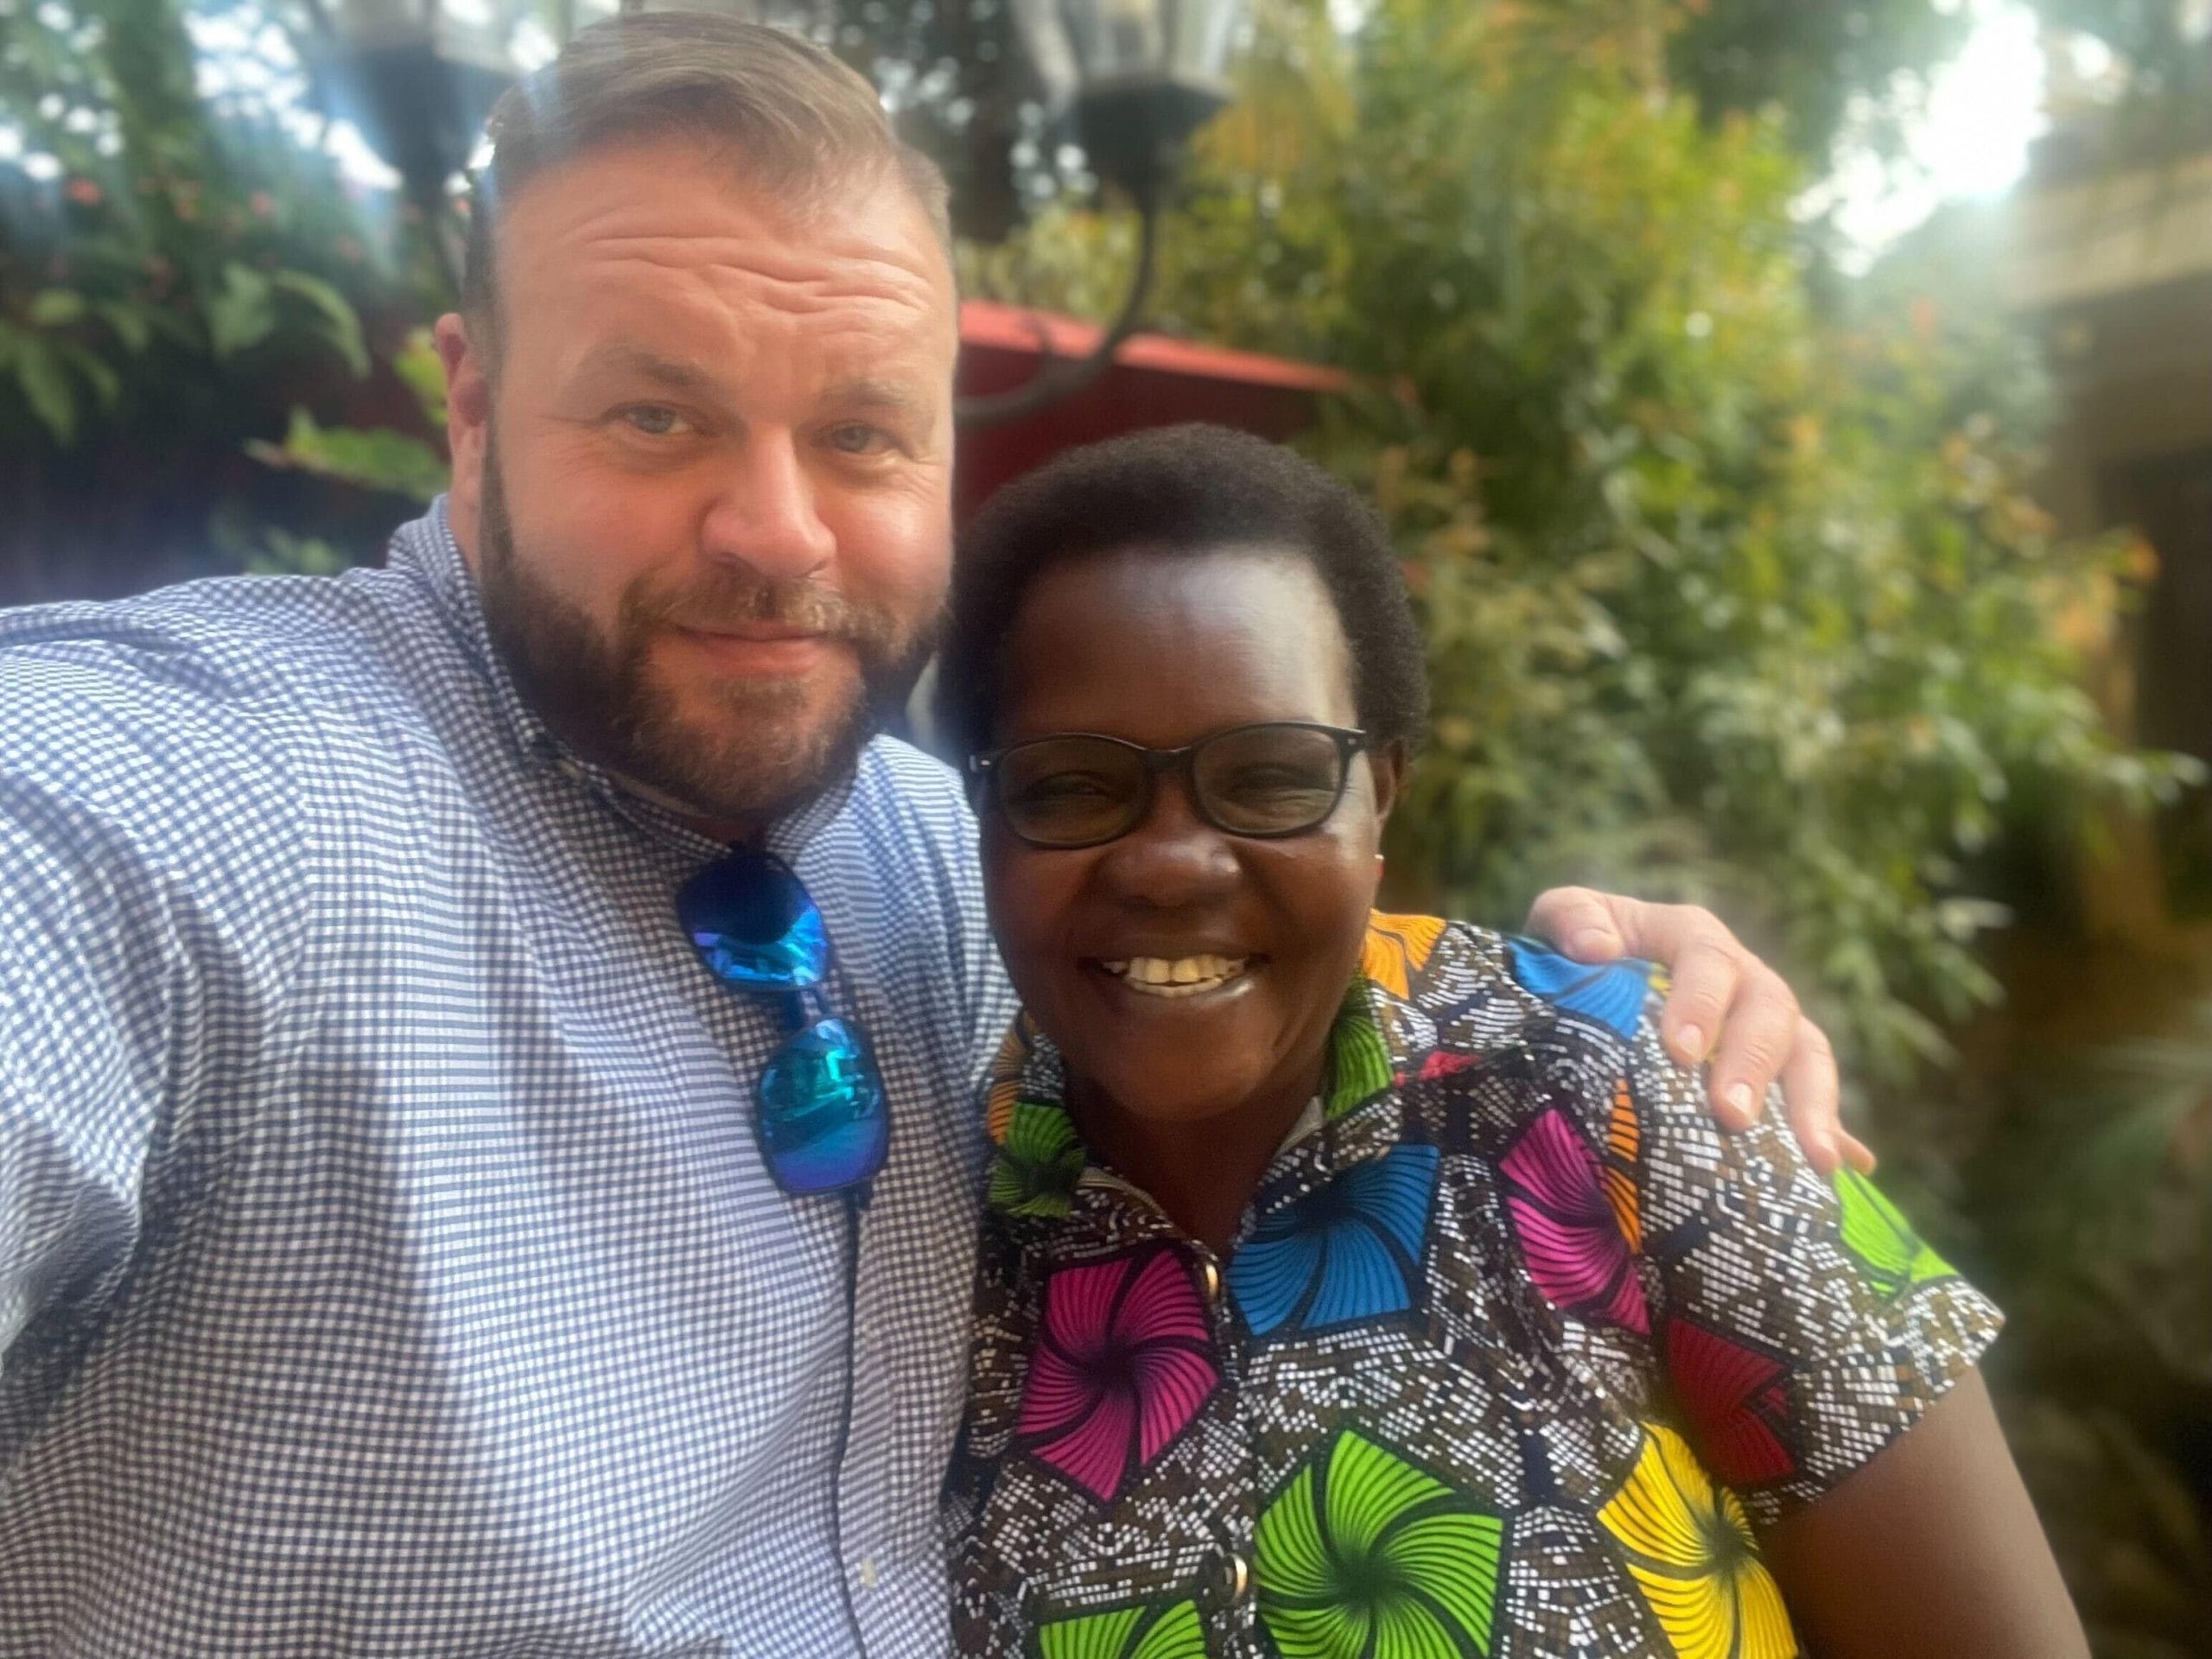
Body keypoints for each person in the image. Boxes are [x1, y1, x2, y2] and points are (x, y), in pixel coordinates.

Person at [1, 16, 1852, 1656]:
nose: (779, 531)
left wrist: (1630, 995)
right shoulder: (195, 809)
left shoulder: (937, 853)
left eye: (864, 435)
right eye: (655, 413)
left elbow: (1220, 926)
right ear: (472, 412)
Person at [938, 426, 2088, 1658]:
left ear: (1380, 796)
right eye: (1071, 786)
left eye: (1269, 776)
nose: (1171, 862)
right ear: (984, 820)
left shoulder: (1630, 1093)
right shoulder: (927, 1228)